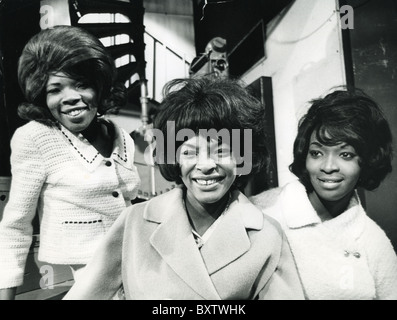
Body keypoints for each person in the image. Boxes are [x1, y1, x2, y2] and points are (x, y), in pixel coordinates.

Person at [64, 76, 305, 300]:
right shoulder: (134, 223)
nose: (206, 165)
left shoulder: (267, 234)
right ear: (174, 158)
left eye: (221, 151)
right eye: (190, 152)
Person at [0, 25, 141, 299]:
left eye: (81, 84)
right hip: (84, 276)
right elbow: (15, 225)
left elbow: (129, 203)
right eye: (55, 88)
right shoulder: (36, 137)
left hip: (135, 261)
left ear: (99, 87)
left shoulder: (122, 137)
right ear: (43, 95)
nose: (70, 97)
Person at [251, 88, 397, 300]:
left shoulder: (372, 241)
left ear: (366, 162)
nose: (328, 166)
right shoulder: (264, 213)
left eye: (345, 154)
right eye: (316, 153)